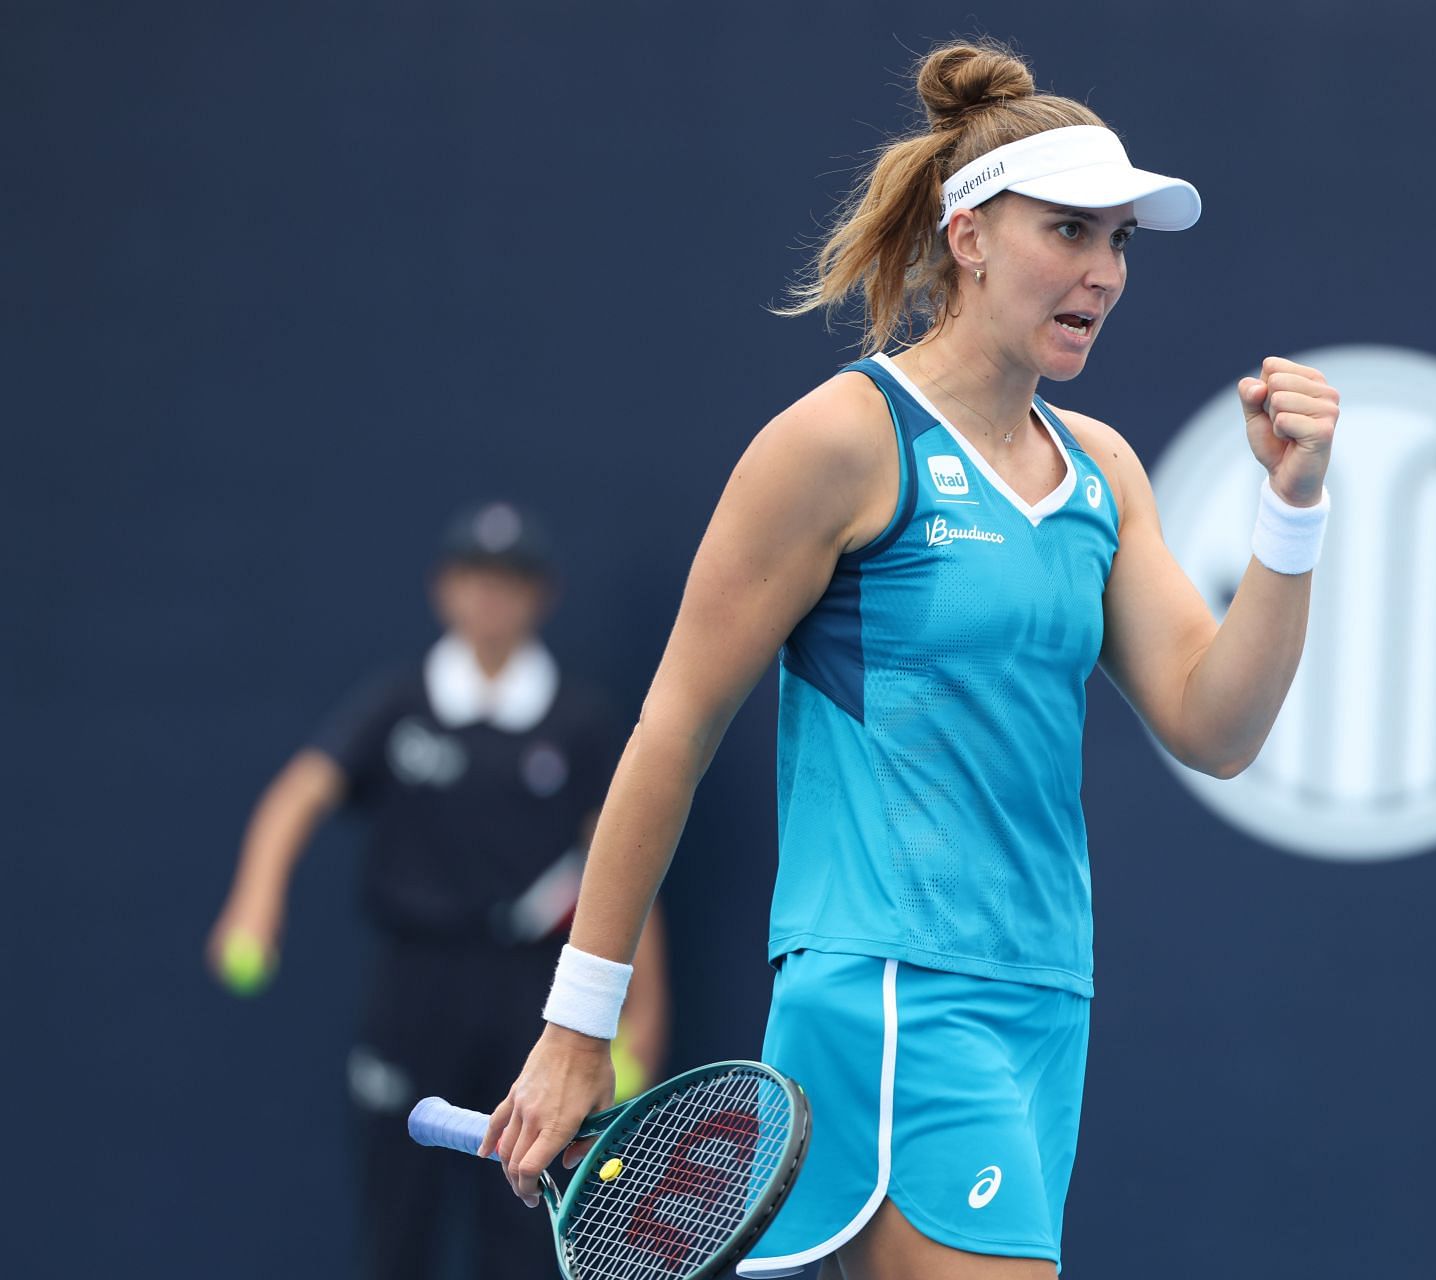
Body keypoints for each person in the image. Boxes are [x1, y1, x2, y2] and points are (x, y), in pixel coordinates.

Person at [484, 39, 1340, 1280]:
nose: (1102, 272)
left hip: (1046, 995)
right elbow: (673, 729)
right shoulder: (841, 439)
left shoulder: (1102, 470)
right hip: (892, 992)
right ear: (970, 236)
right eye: (1069, 232)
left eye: (1120, 244)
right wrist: (579, 1026)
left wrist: (1293, 511)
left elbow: (1220, 724)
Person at [206, 501, 669, 1280]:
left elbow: (618, 866)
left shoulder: (580, 722)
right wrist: (255, 902)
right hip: (411, 989)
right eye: (475, 579)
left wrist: (645, 1009)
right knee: (396, 1226)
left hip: (530, 995)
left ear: (541, 596)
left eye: (511, 582)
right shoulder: (400, 702)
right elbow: (296, 797)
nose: (491, 599)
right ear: (443, 589)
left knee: (521, 1226)